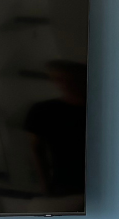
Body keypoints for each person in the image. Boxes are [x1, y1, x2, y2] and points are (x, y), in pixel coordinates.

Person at [24, 60, 87, 198]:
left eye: (70, 79)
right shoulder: (44, 111)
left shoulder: (105, 109)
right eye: (59, 79)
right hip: (66, 184)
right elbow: (37, 150)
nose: (65, 84)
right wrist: (45, 185)